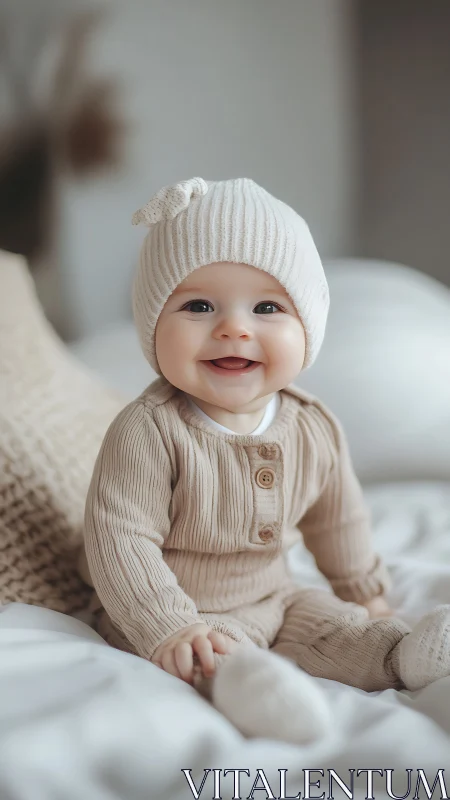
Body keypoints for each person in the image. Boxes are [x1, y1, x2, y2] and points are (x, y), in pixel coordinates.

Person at [83, 177, 450, 745]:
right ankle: (248, 688)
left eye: (268, 307)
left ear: (309, 328)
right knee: (209, 656)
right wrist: (168, 626)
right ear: (152, 323)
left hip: (276, 594)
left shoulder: (312, 425)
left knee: (337, 628)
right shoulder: (148, 429)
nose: (234, 327)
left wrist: (366, 592)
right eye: (198, 305)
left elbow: (338, 519)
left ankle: (406, 653)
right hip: (185, 612)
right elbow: (118, 539)